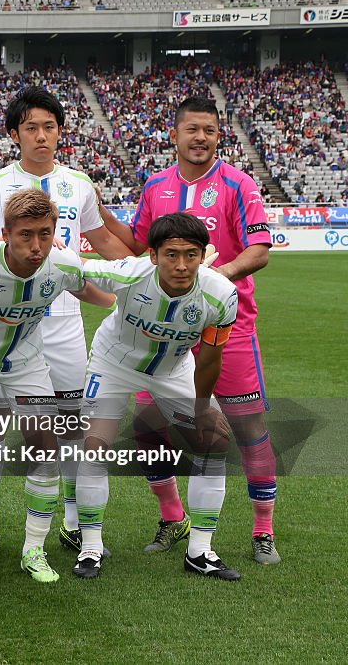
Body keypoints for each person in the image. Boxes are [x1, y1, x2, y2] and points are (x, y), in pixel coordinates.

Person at [0, 86, 132, 559]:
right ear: (14, 134)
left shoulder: (79, 183)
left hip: (63, 319)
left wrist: (142, 274)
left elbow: (102, 240)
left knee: (68, 426)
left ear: (60, 132)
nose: (41, 136)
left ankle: (71, 520)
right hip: (4, 323)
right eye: (31, 127)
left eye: (49, 126)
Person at [97, 96, 279, 564]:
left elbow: (259, 249)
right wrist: (101, 216)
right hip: (161, 327)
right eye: (192, 129)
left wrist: (211, 283)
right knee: (148, 427)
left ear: (219, 136)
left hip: (225, 323)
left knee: (241, 426)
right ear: (174, 135)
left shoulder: (238, 184)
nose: (201, 138)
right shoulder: (155, 186)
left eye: (210, 131)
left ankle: (262, 528)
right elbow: (141, 244)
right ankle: (172, 516)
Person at [0, 189, 112, 582]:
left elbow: (98, 293)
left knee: (45, 451)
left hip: (27, 367)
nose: (36, 246)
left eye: (45, 234)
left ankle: (34, 548)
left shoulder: (62, 263)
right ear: (5, 233)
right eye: (25, 235)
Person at [74, 213, 240, 581]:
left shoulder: (221, 294)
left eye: (191, 255)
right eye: (171, 255)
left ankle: (200, 550)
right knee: (94, 445)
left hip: (174, 369)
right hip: (113, 363)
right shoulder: (127, 274)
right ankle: (90, 547)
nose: (182, 265)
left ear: (203, 255)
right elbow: (78, 266)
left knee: (214, 440)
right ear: (153, 255)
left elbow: (211, 357)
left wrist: (201, 409)